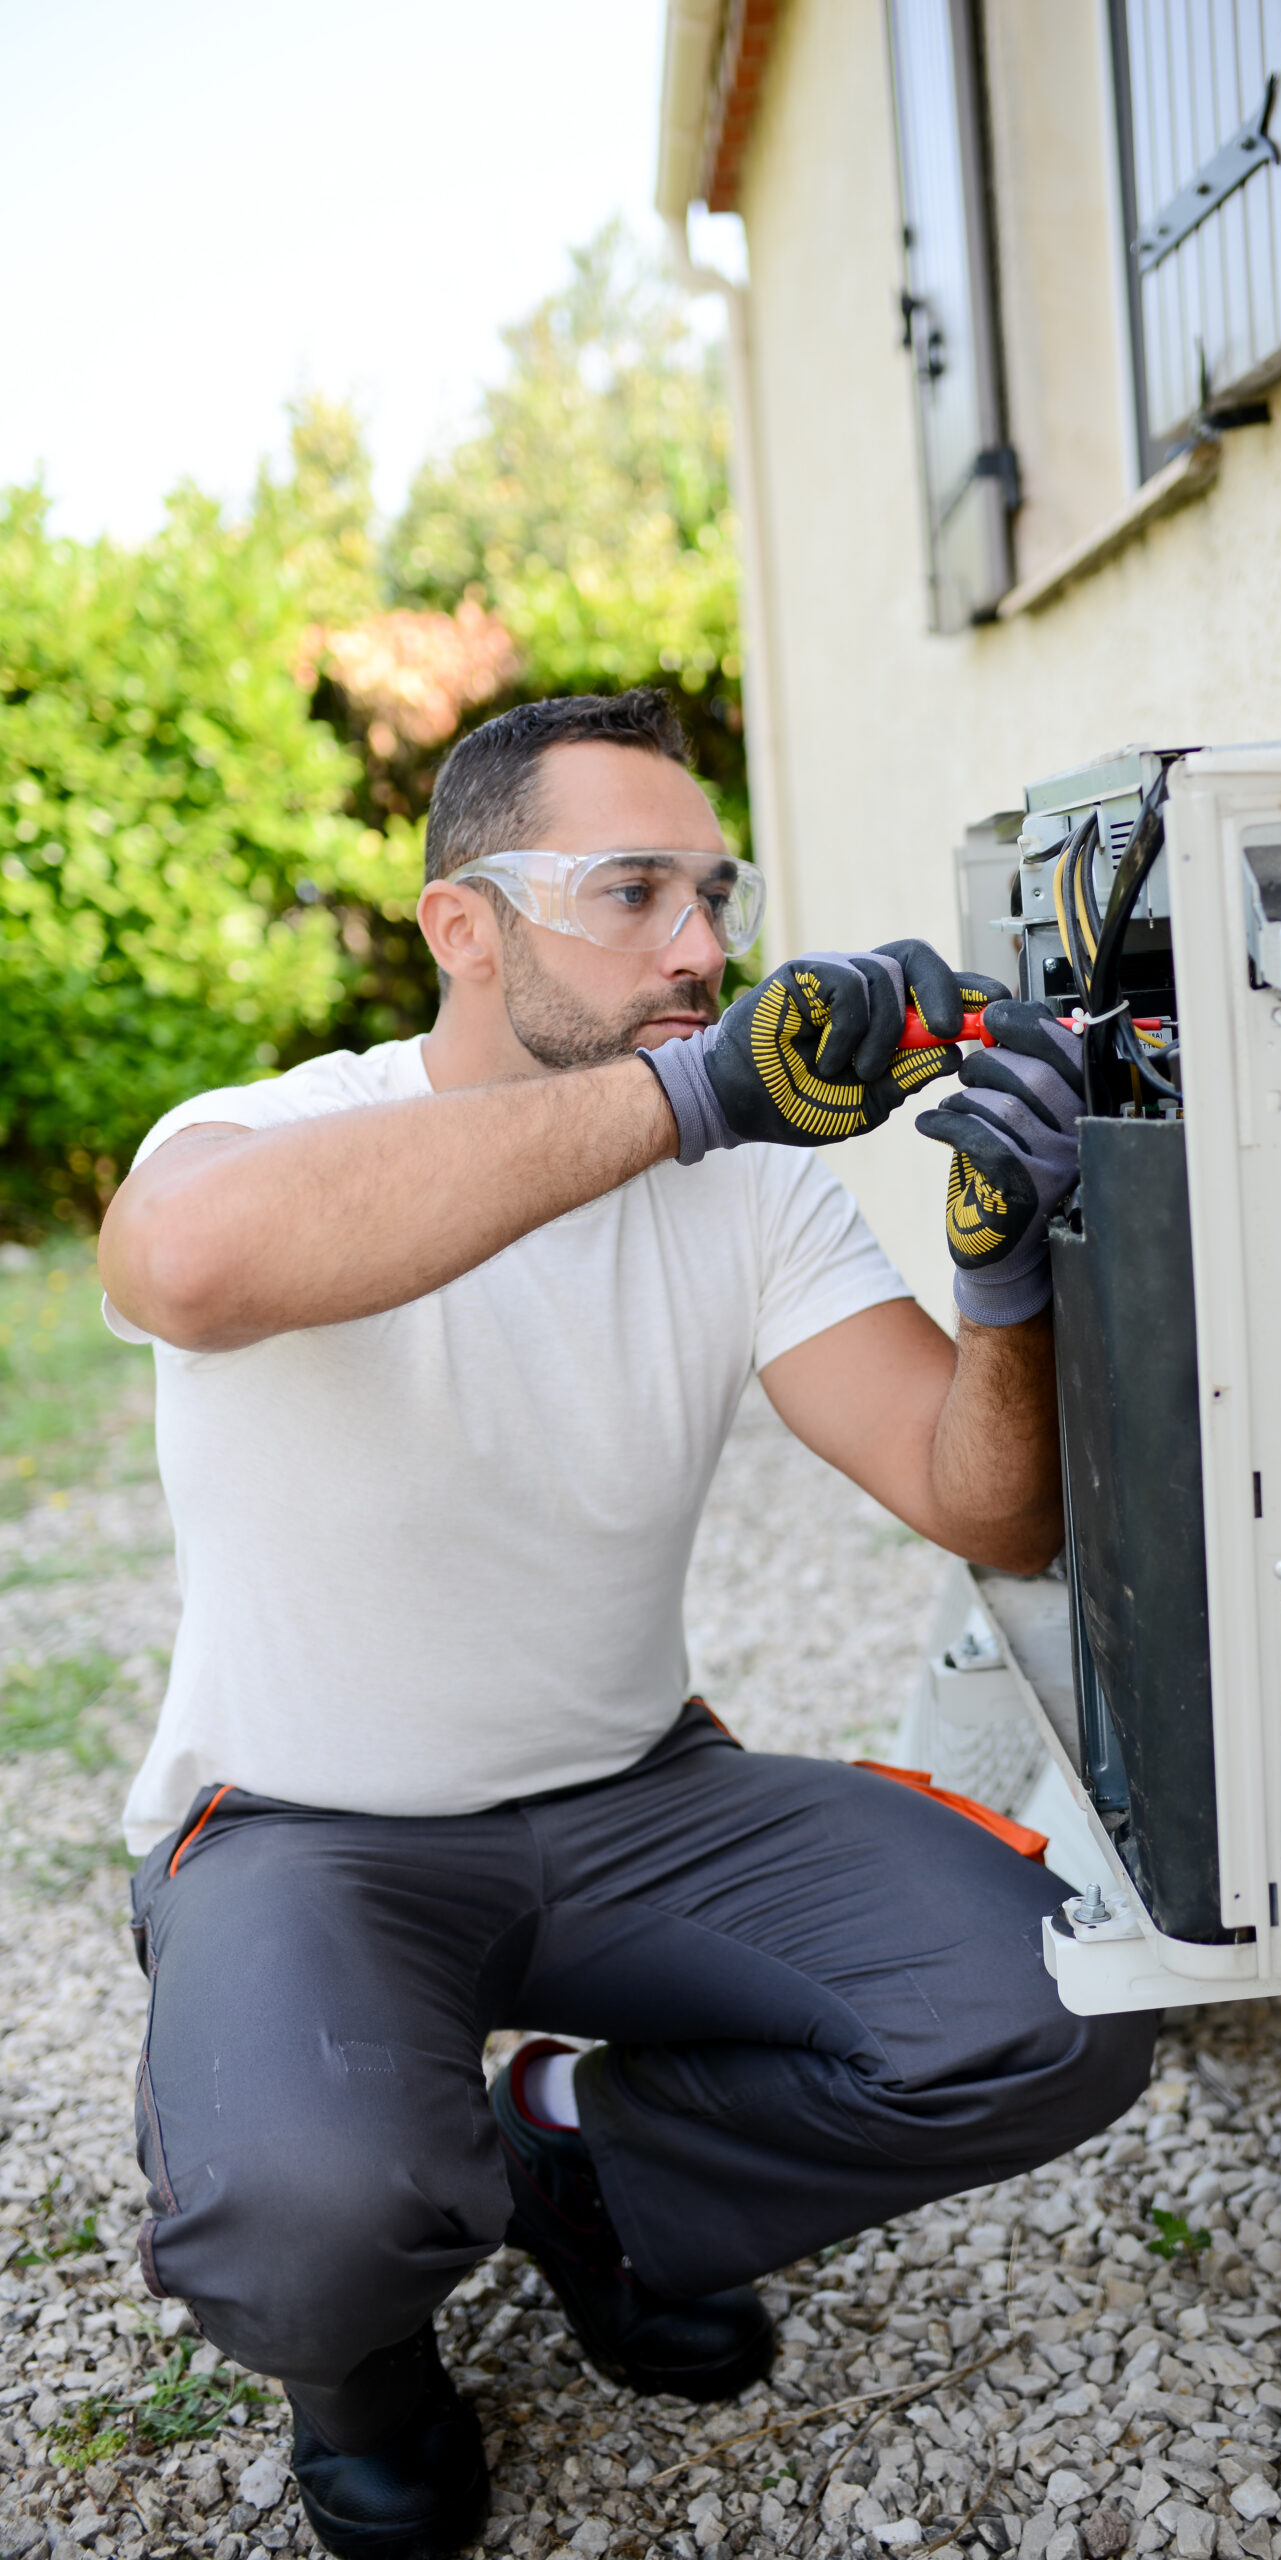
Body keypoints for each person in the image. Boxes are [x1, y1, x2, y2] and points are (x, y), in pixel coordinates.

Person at [99, 691, 1155, 2560]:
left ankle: (577, 2164)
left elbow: (986, 1502)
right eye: (636, 892)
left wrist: (1005, 1286)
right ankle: (365, 2370)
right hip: (302, 1830)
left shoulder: (745, 1188)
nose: (704, 951)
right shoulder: (269, 1129)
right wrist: (687, 1094)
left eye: (716, 895)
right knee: (306, 2215)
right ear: (463, 926)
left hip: (633, 1800)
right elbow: (180, 1266)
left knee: (1056, 2011)